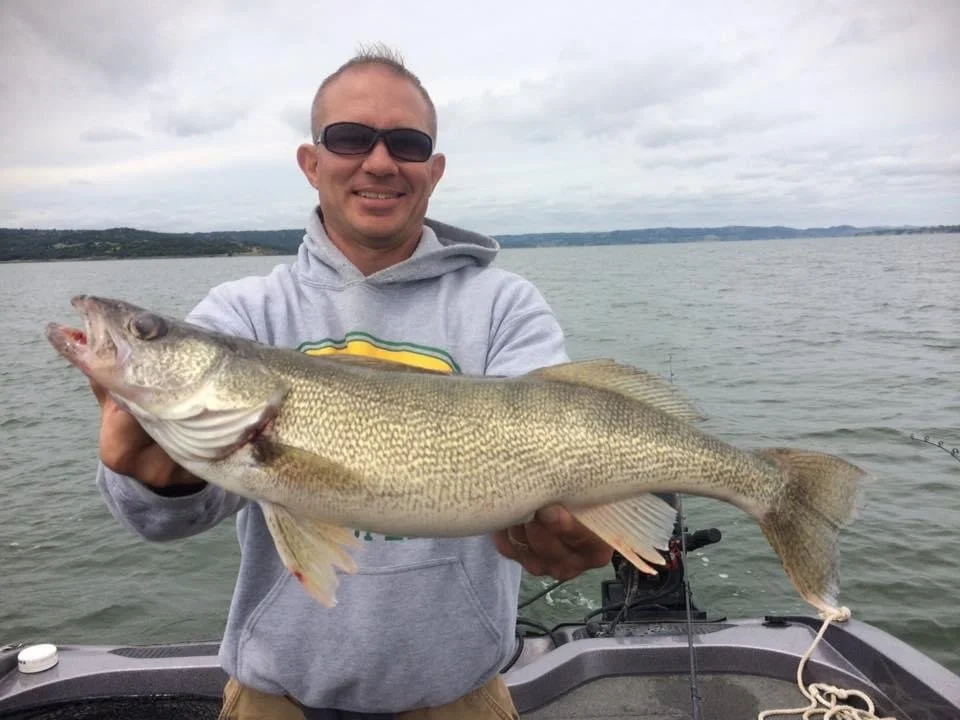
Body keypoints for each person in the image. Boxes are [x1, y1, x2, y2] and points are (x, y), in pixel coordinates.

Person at [92, 46, 613, 719]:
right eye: (349, 138)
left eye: (406, 143)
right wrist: (161, 480)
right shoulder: (243, 313)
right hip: (275, 697)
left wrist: (595, 525)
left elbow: (571, 452)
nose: (379, 161)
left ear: (434, 170)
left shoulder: (505, 306)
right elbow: (162, 522)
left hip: (458, 695)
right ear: (311, 163)